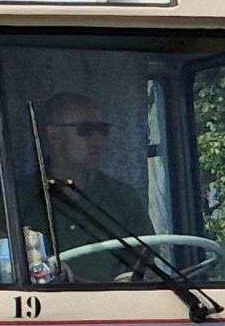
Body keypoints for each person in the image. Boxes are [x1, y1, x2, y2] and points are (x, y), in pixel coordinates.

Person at [21, 90, 152, 284]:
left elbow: (147, 266)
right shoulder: (15, 199)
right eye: (86, 130)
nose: (99, 141)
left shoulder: (124, 197)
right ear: (54, 135)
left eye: (103, 130)